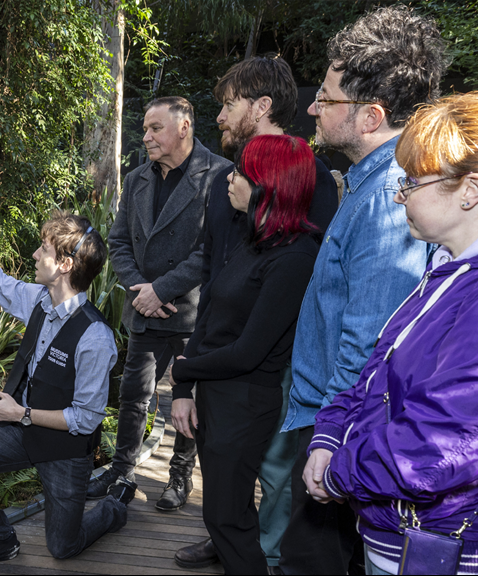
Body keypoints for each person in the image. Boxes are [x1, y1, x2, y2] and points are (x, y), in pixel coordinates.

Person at [305, 90, 478, 575]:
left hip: (451, 546)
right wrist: (329, 436)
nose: (400, 195)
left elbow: (444, 441)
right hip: (407, 531)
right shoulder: (455, 270)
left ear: (470, 191)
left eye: (412, 182)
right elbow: (379, 370)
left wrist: (340, 473)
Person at [278, 7, 448, 574]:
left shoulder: (385, 200)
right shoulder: (370, 183)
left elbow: (371, 343)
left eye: (325, 98)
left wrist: (333, 444)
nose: (311, 108)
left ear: (371, 116)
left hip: (343, 435)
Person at [172, 55, 339, 573]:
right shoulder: (230, 189)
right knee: (228, 491)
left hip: (273, 365)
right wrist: (186, 383)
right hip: (222, 363)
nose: (219, 116)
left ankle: (264, 551)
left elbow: (306, 285)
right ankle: (232, 538)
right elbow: (214, 273)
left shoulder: (309, 189)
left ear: (261, 105)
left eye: (228, 104)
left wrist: (186, 368)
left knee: (277, 471)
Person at [0, 204, 133, 575]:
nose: (35, 254)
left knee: (63, 548)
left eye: (44, 250)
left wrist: (22, 413)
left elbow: (85, 419)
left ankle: (114, 507)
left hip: (65, 451)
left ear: (65, 265)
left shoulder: (96, 338)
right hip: (23, 432)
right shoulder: (39, 300)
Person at [93, 96, 231, 511]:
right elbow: (118, 241)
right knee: (134, 395)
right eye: (145, 129)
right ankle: (121, 471)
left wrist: (162, 290)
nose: (146, 136)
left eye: (155, 128)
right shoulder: (137, 179)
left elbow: (212, 249)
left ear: (184, 126)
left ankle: (179, 477)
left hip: (192, 314)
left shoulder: (218, 175)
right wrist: (141, 290)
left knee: (188, 402)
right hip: (145, 310)